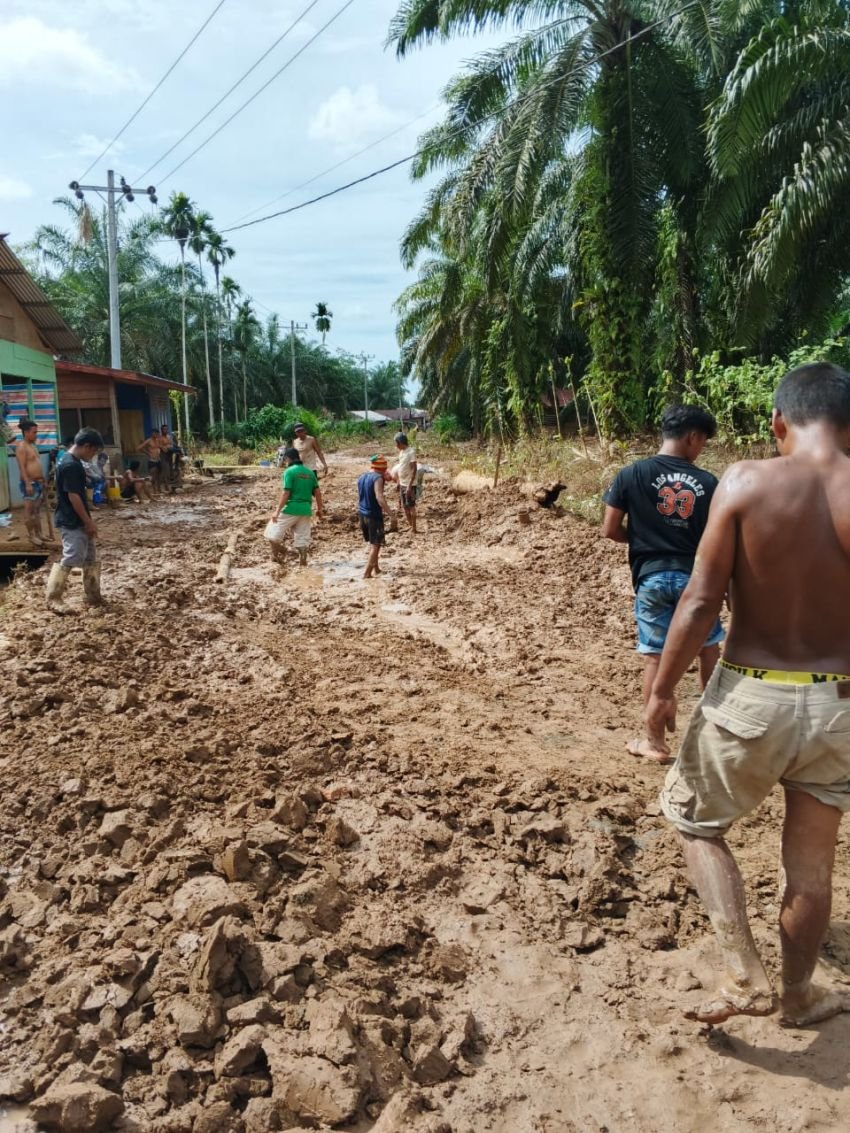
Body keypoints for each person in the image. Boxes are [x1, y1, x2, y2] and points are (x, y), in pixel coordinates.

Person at [646, 362, 850, 1028]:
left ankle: (744, 974)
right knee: (812, 867)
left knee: (695, 819)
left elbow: (702, 599)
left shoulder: (744, 480)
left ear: (778, 422)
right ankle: (799, 994)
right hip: (840, 703)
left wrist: (661, 690)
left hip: (751, 695)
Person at [602, 404, 721, 763]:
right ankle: (714, 734)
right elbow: (717, 541)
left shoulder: (631, 474)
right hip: (695, 580)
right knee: (709, 647)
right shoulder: (709, 483)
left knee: (654, 655)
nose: (701, 449)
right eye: (703, 442)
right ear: (692, 437)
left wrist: (644, 543)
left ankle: (654, 742)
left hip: (651, 577)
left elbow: (609, 529)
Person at [46, 427, 105, 612]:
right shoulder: (71, 465)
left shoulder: (70, 461)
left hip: (77, 516)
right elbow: (74, 497)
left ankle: (92, 594)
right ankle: (53, 597)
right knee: (72, 556)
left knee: (89, 555)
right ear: (87, 446)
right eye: (94, 451)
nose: (94, 455)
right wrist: (88, 522)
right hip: (72, 519)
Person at [268, 447, 323, 567]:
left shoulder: (289, 472)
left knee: (271, 532)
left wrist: (277, 511)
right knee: (302, 536)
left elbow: (286, 492)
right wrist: (320, 509)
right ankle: (303, 558)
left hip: (291, 508)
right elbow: (317, 492)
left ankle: (277, 555)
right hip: (305, 509)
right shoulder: (309, 473)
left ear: (288, 459)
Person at [357, 455, 394, 579]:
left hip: (362, 513)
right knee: (376, 544)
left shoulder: (362, 476)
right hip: (373, 515)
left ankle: (376, 568)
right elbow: (379, 497)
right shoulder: (377, 478)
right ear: (382, 469)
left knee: (373, 542)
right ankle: (367, 573)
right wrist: (391, 514)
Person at [15, 418, 47, 546]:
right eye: (34, 432)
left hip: (38, 482)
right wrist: (28, 483)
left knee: (37, 510)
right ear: (26, 432)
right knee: (29, 511)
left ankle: (39, 533)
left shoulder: (33, 446)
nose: (36, 434)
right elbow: (22, 467)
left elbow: (36, 464)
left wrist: (43, 480)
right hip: (29, 483)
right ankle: (31, 535)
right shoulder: (21, 446)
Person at [390, 432, 418, 533]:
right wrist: (399, 482)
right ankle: (410, 525)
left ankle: (414, 528)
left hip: (409, 484)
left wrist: (410, 485)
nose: (396, 446)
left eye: (396, 443)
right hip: (402, 483)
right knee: (405, 506)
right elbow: (401, 467)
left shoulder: (411, 452)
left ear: (401, 442)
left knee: (411, 506)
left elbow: (414, 469)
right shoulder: (401, 452)